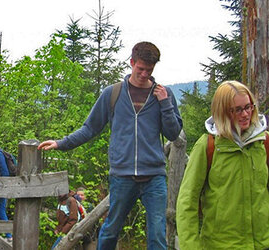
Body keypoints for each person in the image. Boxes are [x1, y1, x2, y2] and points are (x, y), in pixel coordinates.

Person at [38, 41, 183, 250]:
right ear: (132, 62)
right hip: (122, 176)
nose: (144, 74)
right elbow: (90, 128)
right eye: (140, 69)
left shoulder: (163, 94)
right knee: (110, 230)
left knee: (158, 234)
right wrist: (61, 143)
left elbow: (173, 133)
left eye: (149, 70)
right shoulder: (113, 93)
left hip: (154, 177)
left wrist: (165, 103)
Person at [176, 81, 269, 249]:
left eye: (248, 107)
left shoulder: (265, 142)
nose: (246, 114)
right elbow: (187, 202)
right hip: (221, 245)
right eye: (237, 110)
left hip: (265, 244)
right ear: (223, 112)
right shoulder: (208, 146)